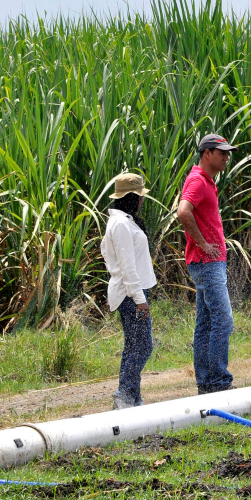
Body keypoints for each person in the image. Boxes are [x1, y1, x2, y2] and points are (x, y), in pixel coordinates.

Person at [176, 134, 237, 394]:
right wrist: (202, 243)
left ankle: (206, 382)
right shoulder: (198, 181)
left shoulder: (206, 181)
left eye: (227, 152)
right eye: (221, 152)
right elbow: (183, 211)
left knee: (206, 323)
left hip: (207, 262)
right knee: (223, 321)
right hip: (207, 262)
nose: (226, 157)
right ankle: (218, 381)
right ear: (207, 154)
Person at [100, 172, 158, 409]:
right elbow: (127, 267)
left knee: (134, 345)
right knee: (143, 345)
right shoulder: (122, 224)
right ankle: (125, 394)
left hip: (129, 292)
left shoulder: (122, 221)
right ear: (132, 198)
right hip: (129, 294)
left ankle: (132, 398)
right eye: (140, 196)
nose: (143, 201)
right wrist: (139, 299)